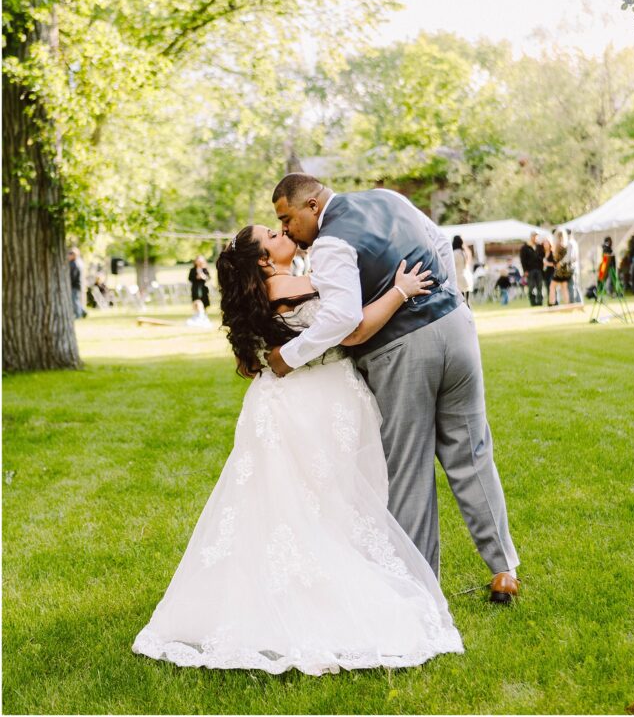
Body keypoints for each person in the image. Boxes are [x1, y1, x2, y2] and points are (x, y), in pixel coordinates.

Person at [133, 226, 463, 673]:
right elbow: (351, 320)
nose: (283, 231)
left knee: (297, 504)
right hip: (312, 401)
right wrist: (400, 289)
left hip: (296, 398)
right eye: (272, 233)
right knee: (324, 504)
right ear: (265, 260)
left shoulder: (270, 289)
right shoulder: (288, 284)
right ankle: (323, 595)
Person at [268, 175, 519, 605]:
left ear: (312, 205)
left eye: (287, 219)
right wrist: (454, 296)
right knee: (473, 451)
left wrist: (288, 356)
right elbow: (439, 241)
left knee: (408, 467)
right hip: (456, 330)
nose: (287, 230)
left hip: (401, 351)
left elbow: (342, 318)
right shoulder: (386, 199)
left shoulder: (330, 243)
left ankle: (419, 590)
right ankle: (504, 571)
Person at [519, 232, 544, 307]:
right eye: (534, 236)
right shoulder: (525, 247)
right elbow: (522, 260)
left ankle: (540, 302)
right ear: (531, 237)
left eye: (536, 236)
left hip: (539, 270)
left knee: (540, 287)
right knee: (531, 287)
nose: (535, 238)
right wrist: (525, 270)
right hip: (530, 270)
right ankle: (533, 303)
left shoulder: (539, 246)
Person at [187, 255, 212, 328]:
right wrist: (196, 277)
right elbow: (190, 278)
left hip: (203, 288)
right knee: (196, 301)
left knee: (204, 302)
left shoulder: (205, 269)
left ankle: (203, 317)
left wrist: (203, 276)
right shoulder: (192, 270)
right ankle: (198, 315)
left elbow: (208, 278)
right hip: (195, 288)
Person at [549, 229, 571, 306]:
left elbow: (555, 258)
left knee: (552, 286)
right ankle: (567, 304)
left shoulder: (557, 245)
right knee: (564, 288)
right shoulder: (567, 245)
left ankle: (552, 303)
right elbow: (568, 257)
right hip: (566, 269)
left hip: (559, 270)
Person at [452, 234, 474, 306]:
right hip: (466, 276)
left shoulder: (455, 253)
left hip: (459, 278)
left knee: (462, 302)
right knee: (467, 301)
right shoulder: (464, 252)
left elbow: (453, 266)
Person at [68, 247, 86, 319]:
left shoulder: (74, 264)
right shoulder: (78, 262)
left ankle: (78, 314)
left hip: (75, 285)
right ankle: (83, 312)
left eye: (70, 254)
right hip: (78, 285)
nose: (68, 255)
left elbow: (73, 276)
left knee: (75, 300)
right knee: (76, 299)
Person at [566, 229, 581, 303]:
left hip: (571, 267)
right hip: (576, 267)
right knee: (576, 285)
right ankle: (579, 302)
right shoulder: (575, 242)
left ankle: (572, 302)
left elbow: (570, 257)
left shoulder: (569, 243)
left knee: (571, 286)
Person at [541, 237, 555, 305]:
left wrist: (547, 264)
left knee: (552, 287)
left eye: (547, 243)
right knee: (547, 287)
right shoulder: (542, 253)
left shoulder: (552, 253)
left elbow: (555, 264)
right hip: (545, 273)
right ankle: (549, 302)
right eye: (544, 244)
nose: (545, 245)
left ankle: (554, 302)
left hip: (552, 273)